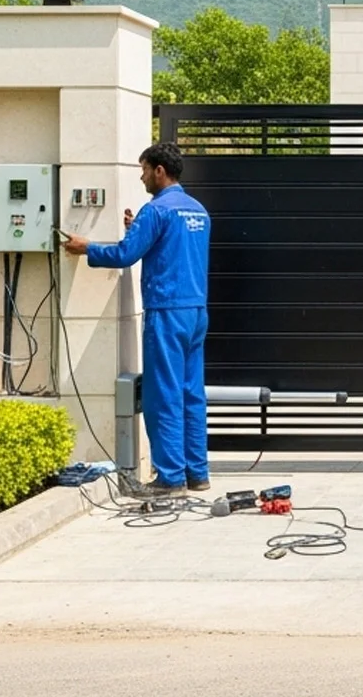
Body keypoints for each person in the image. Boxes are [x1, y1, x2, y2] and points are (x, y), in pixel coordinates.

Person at [63, 142, 211, 499]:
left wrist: (87, 249)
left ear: (160, 170)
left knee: (163, 395)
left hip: (166, 312)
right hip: (196, 312)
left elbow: (125, 255)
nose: (142, 176)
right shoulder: (198, 211)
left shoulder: (156, 211)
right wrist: (137, 228)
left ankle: (170, 479)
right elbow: (166, 247)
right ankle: (197, 473)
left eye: (144, 169)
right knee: (192, 393)